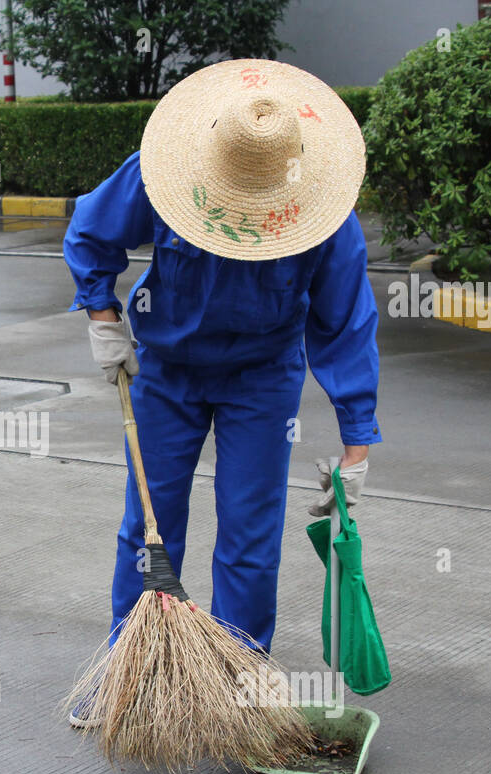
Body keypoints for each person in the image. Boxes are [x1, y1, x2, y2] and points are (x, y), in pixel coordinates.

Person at [62, 60, 380, 727]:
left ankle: (237, 678)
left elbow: (345, 321)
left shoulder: (324, 210)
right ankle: (133, 670)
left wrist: (357, 435)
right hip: (165, 373)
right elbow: (90, 233)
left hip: (262, 379)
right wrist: (102, 317)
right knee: (149, 530)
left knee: (249, 531)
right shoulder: (163, 170)